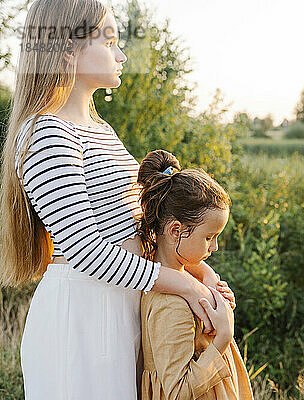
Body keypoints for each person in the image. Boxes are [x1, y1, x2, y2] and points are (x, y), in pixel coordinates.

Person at [0, 1, 234, 398]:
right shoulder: (47, 134)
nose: (121, 55)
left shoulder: (98, 129)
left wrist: (200, 275)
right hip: (83, 317)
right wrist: (186, 287)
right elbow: (88, 251)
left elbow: (139, 225)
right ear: (68, 49)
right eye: (109, 41)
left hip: (116, 306)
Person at [136, 149, 253, 400]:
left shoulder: (187, 282)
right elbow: (177, 392)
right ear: (176, 230)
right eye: (209, 237)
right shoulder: (171, 305)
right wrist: (222, 337)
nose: (215, 247)